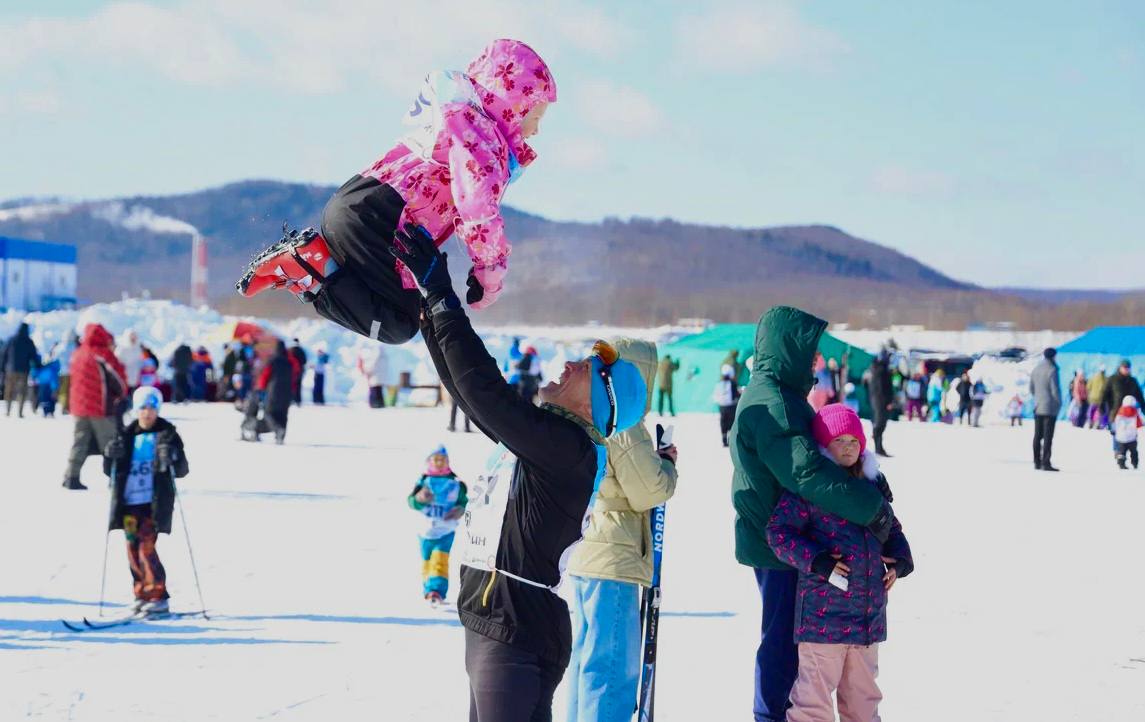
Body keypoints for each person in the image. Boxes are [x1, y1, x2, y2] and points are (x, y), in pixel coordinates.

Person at [387, 227, 646, 722]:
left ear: (598, 403)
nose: (569, 364)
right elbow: (472, 399)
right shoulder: (556, 442)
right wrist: (428, 310)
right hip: (500, 623)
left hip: (516, 632)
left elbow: (486, 394)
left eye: (587, 368)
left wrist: (441, 296)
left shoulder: (568, 449)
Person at [237, 38, 557, 347]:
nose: (537, 131)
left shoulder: (457, 118)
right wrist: (491, 271)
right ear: (513, 107)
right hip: (382, 220)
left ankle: (311, 267)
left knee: (389, 301)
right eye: (535, 117)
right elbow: (477, 207)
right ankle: (308, 268)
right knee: (400, 323)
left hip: (358, 204)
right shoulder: (483, 140)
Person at [729, 306, 895, 722]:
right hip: (782, 544)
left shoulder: (782, 395)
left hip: (790, 540)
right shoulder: (776, 406)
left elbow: (822, 455)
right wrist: (869, 506)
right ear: (789, 349)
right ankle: (772, 715)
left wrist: (865, 476)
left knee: (790, 639)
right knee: (784, 641)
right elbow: (806, 472)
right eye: (811, 350)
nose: (817, 359)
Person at [765, 404, 912, 722]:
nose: (848, 448)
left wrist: (900, 560)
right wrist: (817, 561)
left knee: (863, 702)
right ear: (823, 447)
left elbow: (892, 529)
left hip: (867, 619)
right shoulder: (811, 490)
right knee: (812, 703)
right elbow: (779, 533)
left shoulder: (873, 488)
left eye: (854, 441)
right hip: (823, 620)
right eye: (839, 441)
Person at [565, 338, 678, 722]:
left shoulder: (589, 411)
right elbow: (649, 489)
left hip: (587, 547)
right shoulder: (624, 421)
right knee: (611, 667)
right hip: (613, 554)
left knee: (588, 660)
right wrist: (667, 467)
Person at [102, 386, 190, 615]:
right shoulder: (126, 435)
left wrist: (172, 455)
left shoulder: (167, 435)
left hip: (153, 503)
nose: (147, 413)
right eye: (143, 408)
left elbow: (181, 469)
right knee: (132, 548)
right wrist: (110, 454)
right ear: (136, 410)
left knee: (146, 548)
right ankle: (141, 591)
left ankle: (157, 594)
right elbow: (109, 470)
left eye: (152, 408)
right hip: (129, 503)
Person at [63, 324, 128, 490]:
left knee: (80, 441)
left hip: (79, 407)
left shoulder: (77, 354)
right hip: (100, 406)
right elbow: (118, 379)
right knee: (110, 443)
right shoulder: (102, 354)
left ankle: (71, 476)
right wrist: (121, 395)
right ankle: (115, 478)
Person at [408, 445, 469, 603]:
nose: (439, 463)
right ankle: (428, 590)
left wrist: (460, 510)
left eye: (442, 460)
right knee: (427, 562)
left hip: (445, 530)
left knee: (439, 560)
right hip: (425, 529)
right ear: (429, 461)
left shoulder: (455, 484)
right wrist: (420, 499)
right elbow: (412, 502)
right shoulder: (424, 482)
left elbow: (465, 502)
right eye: (435, 460)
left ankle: (437, 591)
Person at [242, 340, 298, 444]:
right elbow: (295, 376)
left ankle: (277, 430)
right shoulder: (290, 361)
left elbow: (265, 375)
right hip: (287, 393)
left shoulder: (273, 360)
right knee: (282, 414)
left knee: (269, 413)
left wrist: (260, 388)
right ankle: (281, 435)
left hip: (274, 392)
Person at [1030, 347, 1062, 471]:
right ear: (1053, 356)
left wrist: (1038, 399)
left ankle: (1036, 461)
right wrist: (1058, 403)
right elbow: (1055, 390)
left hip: (1038, 407)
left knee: (1037, 435)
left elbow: (1031, 388)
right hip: (1049, 408)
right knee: (1048, 436)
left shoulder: (1036, 369)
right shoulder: (1052, 370)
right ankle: (1046, 462)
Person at [4, 322, 40, 418]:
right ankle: (20, 412)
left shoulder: (12, 340)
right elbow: (34, 356)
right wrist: (39, 365)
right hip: (23, 371)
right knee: (22, 391)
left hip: (10, 370)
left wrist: (2, 368)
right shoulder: (28, 341)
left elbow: (4, 354)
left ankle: (8, 410)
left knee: (9, 390)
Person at [865, 348, 894, 456]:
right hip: (881, 401)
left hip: (877, 401)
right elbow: (882, 388)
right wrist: (888, 401)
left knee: (879, 424)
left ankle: (879, 447)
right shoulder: (881, 370)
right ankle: (878, 448)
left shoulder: (876, 369)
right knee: (880, 424)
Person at [714, 363, 741, 447]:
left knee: (723, 422)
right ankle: (730, 438)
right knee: (731, 422)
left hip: (722, 406)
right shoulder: (732, 383)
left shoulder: (719, 383)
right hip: (731, 406)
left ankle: (724, 438)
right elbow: (736, 394)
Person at [1112, 396, 1142, 470]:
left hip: (1120, 437)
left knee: (1121, 451)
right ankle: (1135, 463)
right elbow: (1139, 424)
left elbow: (1116, 422)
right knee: (1134, 451)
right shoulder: (1135, 412)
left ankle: (1121, 462)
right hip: (1132, 437)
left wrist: (1114, 430)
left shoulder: (1119, 411)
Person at [57, 333, 78, 414]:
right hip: (70, 372)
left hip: (60, 372)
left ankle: (63, 405)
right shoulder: (73, 347)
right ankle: (66, 407)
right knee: (69, 390)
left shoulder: (60, 347)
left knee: (63, 390)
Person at [35, 351, 61, 417]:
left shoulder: (53, 367)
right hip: (44, 385)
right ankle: (46, 411)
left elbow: (54, 377)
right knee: (44, 399)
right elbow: (36, 374)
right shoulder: (40, 368)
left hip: (51, 386)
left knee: (51, 399)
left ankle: (51, 411)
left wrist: (55, 387)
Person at [289, 338, 308, 405]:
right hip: (299, 371)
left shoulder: (290, 350)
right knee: (298, 386)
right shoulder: (301, 350)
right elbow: (305, 361)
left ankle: (290, 399)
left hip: (291, 371)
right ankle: (298, 400)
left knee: (290, 385)